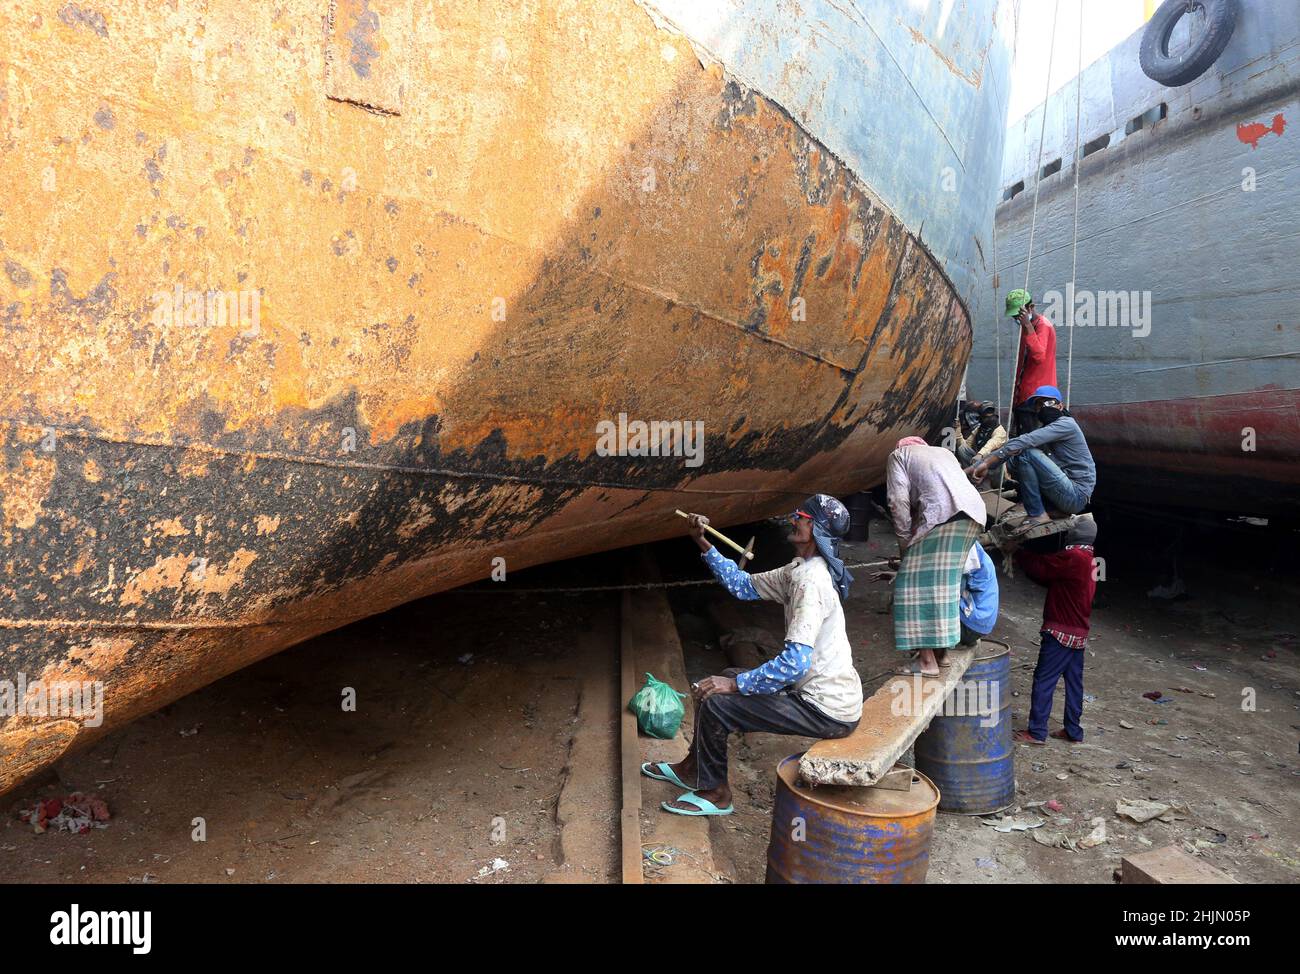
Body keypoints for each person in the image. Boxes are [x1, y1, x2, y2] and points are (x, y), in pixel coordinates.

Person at [643, 495, 864, 817]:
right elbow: (742, 585)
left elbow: (795, 663)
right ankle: (694, 768)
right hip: (820, 696)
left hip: (827, 710)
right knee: (728, 678)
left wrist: (735, 687)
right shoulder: (799, 570)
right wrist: (702, 541)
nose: (793, 519)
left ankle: (716, 793)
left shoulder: (810, 582)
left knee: (721, 701)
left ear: (813, 527)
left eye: (800, 516)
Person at [886, 436, 987, 676]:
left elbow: (897, 500)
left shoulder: (898, 456)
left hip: (944, 515)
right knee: (945, 586)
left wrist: (904, 545)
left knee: (910, 586)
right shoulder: (943, 454)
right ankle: (942, 656)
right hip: (975, 515)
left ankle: (926, 662)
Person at [1012, 515, 1098, 745]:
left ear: (1075, 533)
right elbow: (1054, 578)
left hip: (1060, 631)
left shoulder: (1073, 557)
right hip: (1079, 633)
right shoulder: (1091, 560)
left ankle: (1037, 732)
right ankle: (1073, 730)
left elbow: (1042, 568)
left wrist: (1018, 552)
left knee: (1044, 680)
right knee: (1074, 685)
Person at [965, 385, 1095, 528]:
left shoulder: (1066, 424)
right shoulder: (1047, 429)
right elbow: (1015, 448)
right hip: (1064, 492)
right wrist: (980, 466)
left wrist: (986, 463)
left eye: (1048, 402)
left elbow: (1024, 441)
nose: (1043, 407)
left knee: (1025, 452)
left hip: (1076, 495)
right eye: (1039, 405)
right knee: (1016, 458)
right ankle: (982, 478)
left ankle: (1037, 513)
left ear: (1060, 406)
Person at [1005, 289, 1057, 436]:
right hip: (1025, 395)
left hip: (1037, 396)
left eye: (1019, 315)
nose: (1018, 319)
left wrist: (1027, 326)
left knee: (1032, 441)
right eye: (1015, 316)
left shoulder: (1042, 326)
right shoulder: (1027, 327)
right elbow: (1022, 363)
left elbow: (1039, 356)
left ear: (1030, 308)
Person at [959, 540, 998, 646]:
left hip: (970, 625)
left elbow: (953, 590)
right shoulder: (975, 548)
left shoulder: (968, 550)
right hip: (982, 624)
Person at [955, 402, 1007, 469]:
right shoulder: (979, 429)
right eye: (986, 417)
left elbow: (991, 444)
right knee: (962, 449)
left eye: (991, 416)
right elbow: (966, 445)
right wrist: (958, 429)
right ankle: (970, 472)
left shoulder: (1000, 431)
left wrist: (980, 454)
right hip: (980, 459)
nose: (990, 419)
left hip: (994, 462)